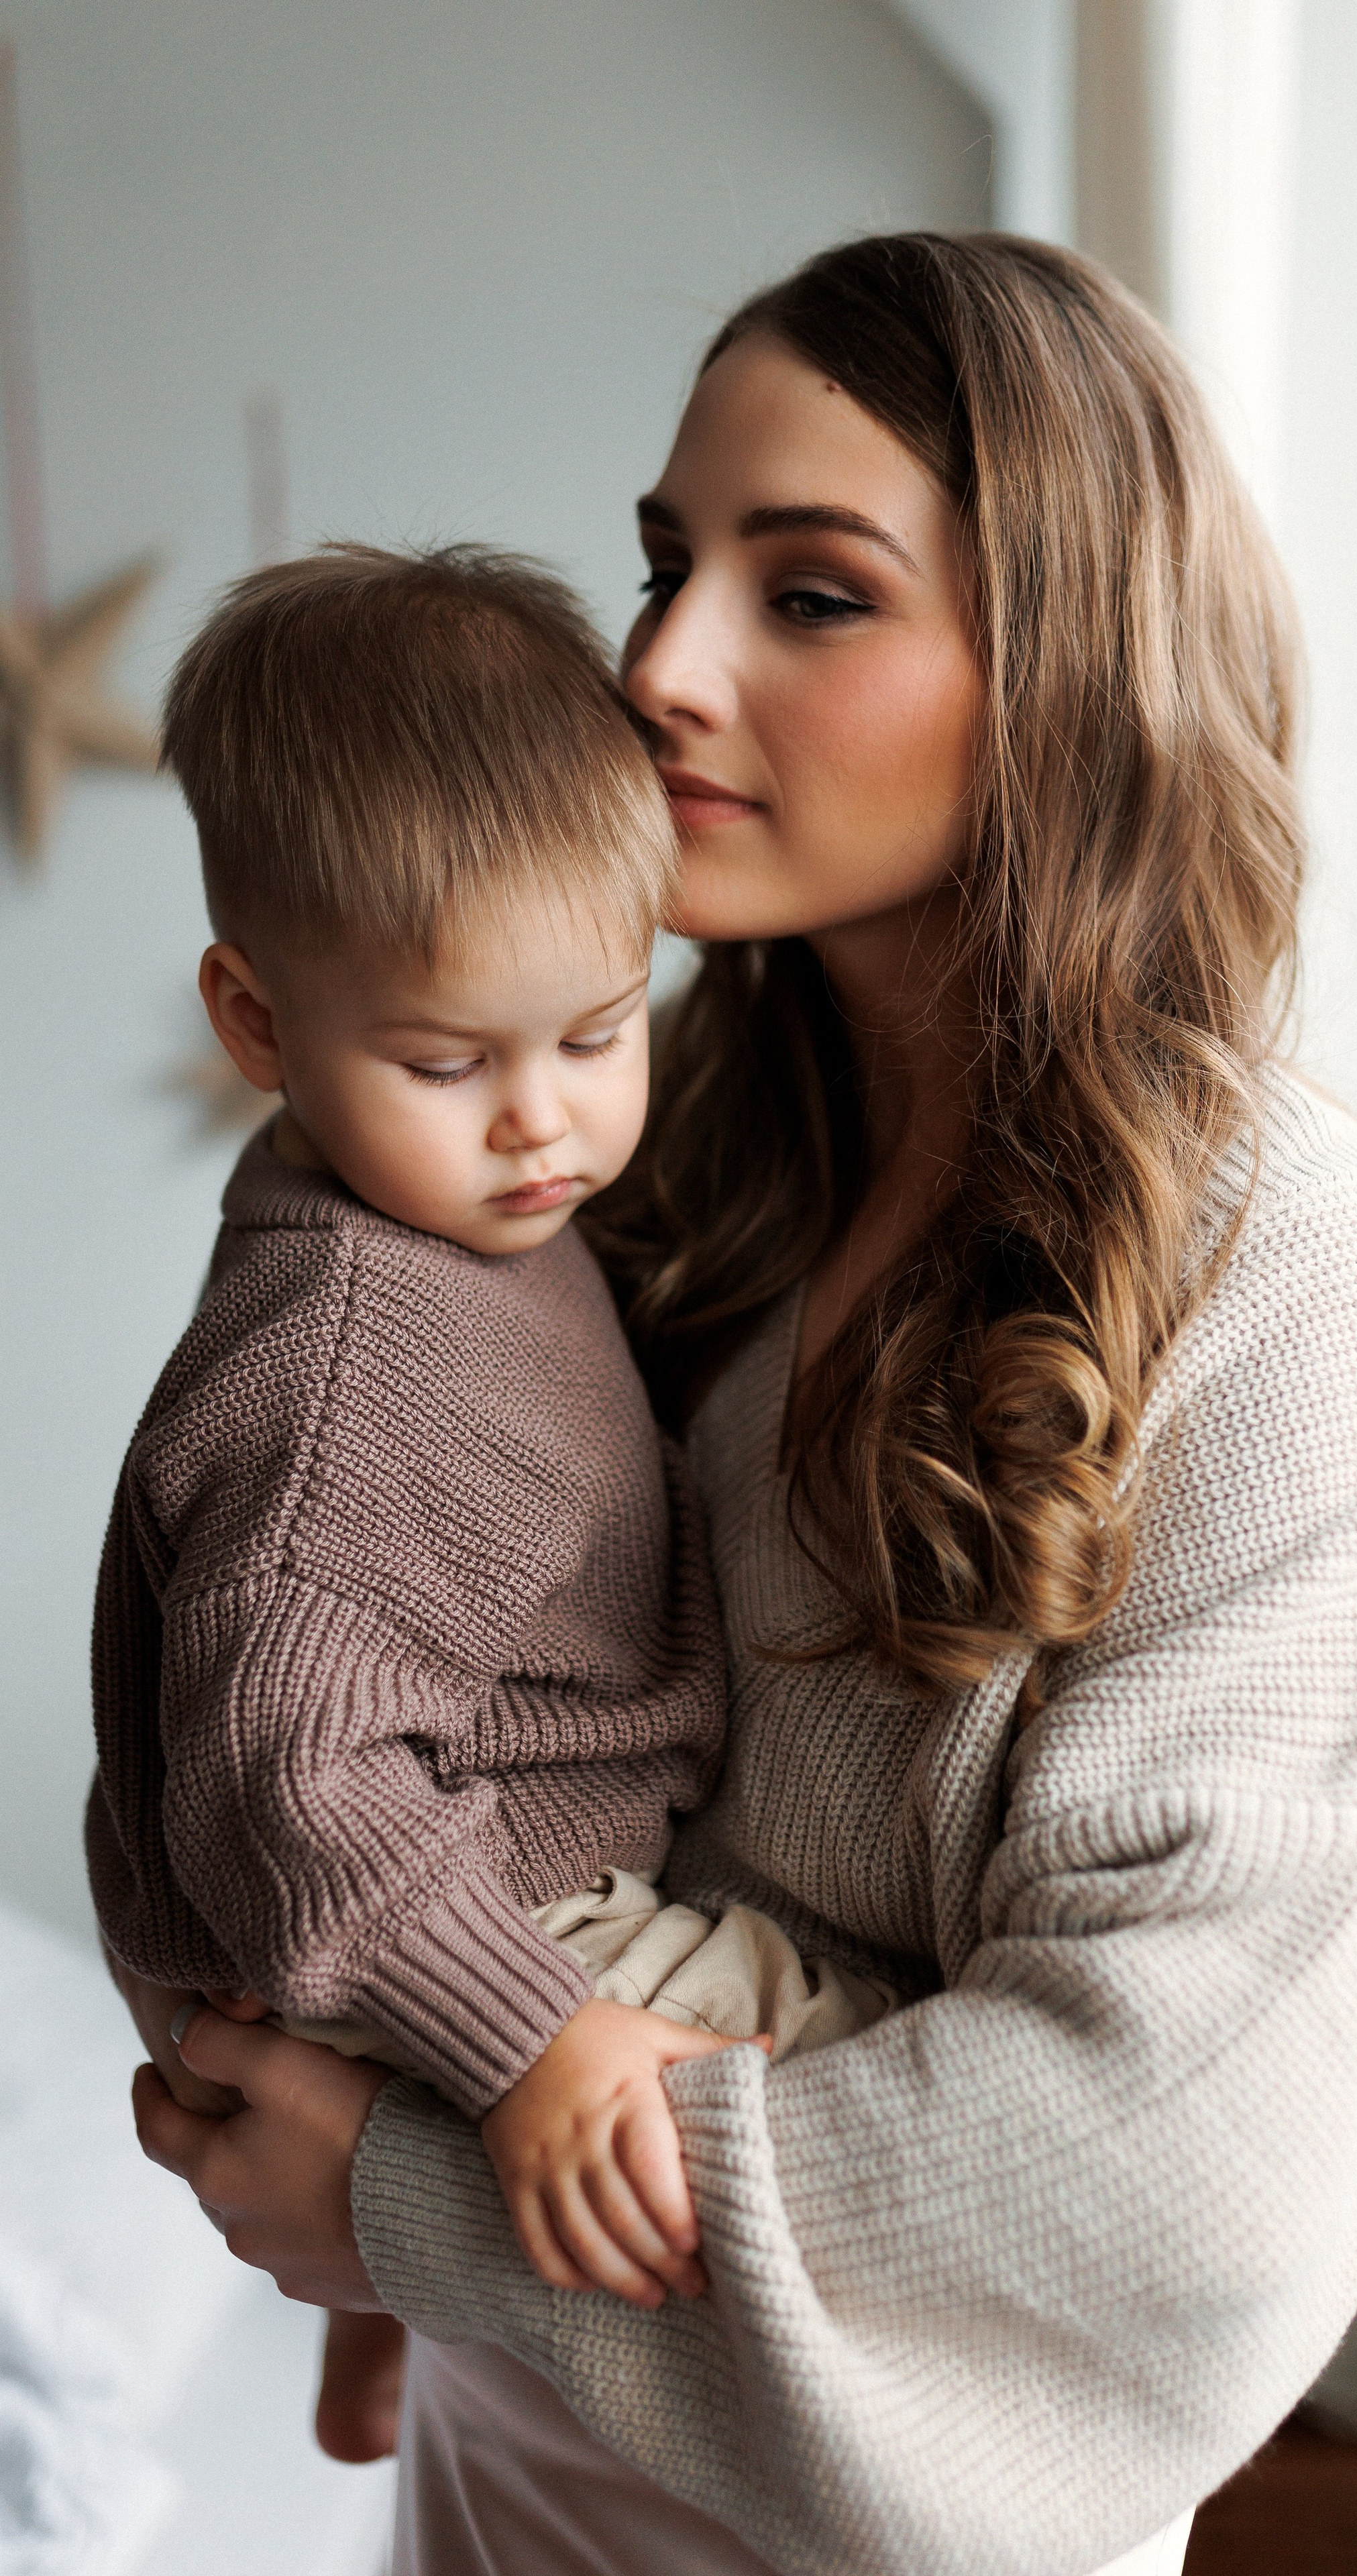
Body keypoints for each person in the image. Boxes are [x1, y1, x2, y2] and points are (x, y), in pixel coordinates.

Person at [127, 234, 1357, 2576]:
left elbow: (1191, 2175)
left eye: (812, 593)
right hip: (513, 2449)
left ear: (1070, 673)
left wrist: (411, 2206)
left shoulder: (1289, 1260)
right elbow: (301, 1673)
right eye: (662, 565)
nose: (658, 671)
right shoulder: (646, 1192)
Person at [90, 542, 889, 2468]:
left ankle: (374, 2345)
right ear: (259, 1025)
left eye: (600, 1033)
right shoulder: (351, 1373)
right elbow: (294, 1778)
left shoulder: (450, 1219)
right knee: (849, 2044)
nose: (541, 1120)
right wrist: (537, 2037)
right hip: (419, 1911)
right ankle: (410, 2295)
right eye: (447, 1061)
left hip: (351, 1898)